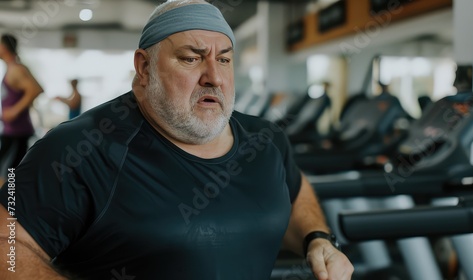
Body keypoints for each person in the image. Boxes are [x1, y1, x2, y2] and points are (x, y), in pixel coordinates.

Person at [0, 1, 353, 279]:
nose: (213, 76)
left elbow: (292, 190)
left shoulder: (267, 138)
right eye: (191, 58)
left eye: (225, 60)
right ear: (144, 67)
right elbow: (7, 247)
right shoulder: (76, 147)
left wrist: (318, 239)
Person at [0, 33, 43, 185]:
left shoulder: (16, 69)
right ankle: (9, 204)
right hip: (11, 130)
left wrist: (14, 111)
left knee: (10, 172)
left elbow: (36, 89)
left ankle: (10, 205)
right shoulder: (12, 68)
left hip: (17, 131)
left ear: (4, 47)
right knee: (8, 170)